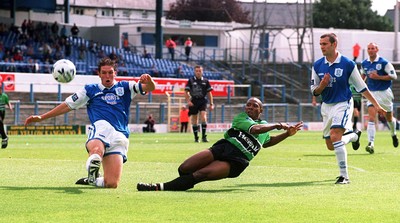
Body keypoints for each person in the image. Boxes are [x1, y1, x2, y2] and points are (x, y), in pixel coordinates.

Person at [24, 58, 156, 188]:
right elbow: (67, 105)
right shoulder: (90, 90)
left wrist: (149, 81)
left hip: (120, 135)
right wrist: (42, 117)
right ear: (98, 74)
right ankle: (94, 162)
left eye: (110, 72)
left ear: (115, 73)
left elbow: (150, 87)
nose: (107, 75)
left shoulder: (126, 87)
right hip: (101, 129)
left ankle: (92, 179)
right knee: (96, 152)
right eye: (104, 72)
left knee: (111, 183)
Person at [136, 97, 303, 191]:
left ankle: (157, 187)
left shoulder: (265, 126)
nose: (250, 107)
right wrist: (277, 125)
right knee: (184, 169)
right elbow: (255, 129)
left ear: (261, 110)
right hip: (222, 148)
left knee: (199, 175)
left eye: (255, 106)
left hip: (236, 161)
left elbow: (267, 142)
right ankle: (183, 182)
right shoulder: (242, 119)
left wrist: (286, 134)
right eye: (248, 105)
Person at [310, 33, 386, 184]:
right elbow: (314, 91)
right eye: (320, 44)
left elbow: (361, 87)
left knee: (335, 136)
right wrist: (322, 86)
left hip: (343, 103)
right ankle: (354, 136)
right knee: (330, 145)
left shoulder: (347, 63)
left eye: (324, 44)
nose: (322, 47)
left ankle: (344, 176)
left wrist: (376, 104)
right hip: (326, 106)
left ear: (334, 44)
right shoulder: (317, 65)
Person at [360, 42, 398, 154]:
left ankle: (393, 134)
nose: (370, 50)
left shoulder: (384, 62)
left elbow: (393, 76)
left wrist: (379, 77)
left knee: (389, 118)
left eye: (373, 48)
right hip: (372, 93)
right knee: (371, 117)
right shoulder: (364, 63)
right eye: (369, 48)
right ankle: (371, 143)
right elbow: (363, 76)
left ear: (377, 50)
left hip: (384, 93)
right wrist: (360, 84)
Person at [184, 65, 213, 143]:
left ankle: (204, 136)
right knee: (195, 119)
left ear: (202, 71)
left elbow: (209, 93)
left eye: (200, 71)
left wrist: (211, 103)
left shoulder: (206, 81)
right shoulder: (191, 80)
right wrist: (188, 101)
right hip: (194, 101)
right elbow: (186, 92)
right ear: (194, 71)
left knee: (203, 117)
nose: (198, 72)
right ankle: (196, 137)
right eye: (196, 71)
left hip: (203, 100)